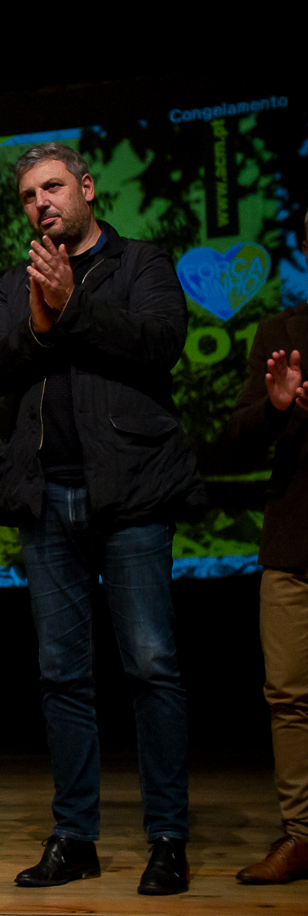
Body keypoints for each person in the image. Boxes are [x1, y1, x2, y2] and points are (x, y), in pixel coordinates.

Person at [0, 143, 205, 895]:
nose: (41, 203)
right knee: (61, 674)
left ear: (87, 188)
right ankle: (75, 837)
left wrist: (74, 304)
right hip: (47, 500)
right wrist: (39, 322)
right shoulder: (17, 283)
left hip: (131, 496)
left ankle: (168, 838)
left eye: (53, 187)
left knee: (151, 664)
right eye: (28, 195)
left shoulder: (141, 263)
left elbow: (160, 345)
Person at [229, 227, 307, 885]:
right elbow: (238, 436)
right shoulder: (280, 332)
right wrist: (276, 408)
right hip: (295, 539)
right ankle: (302, 834)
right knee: (288, 694)